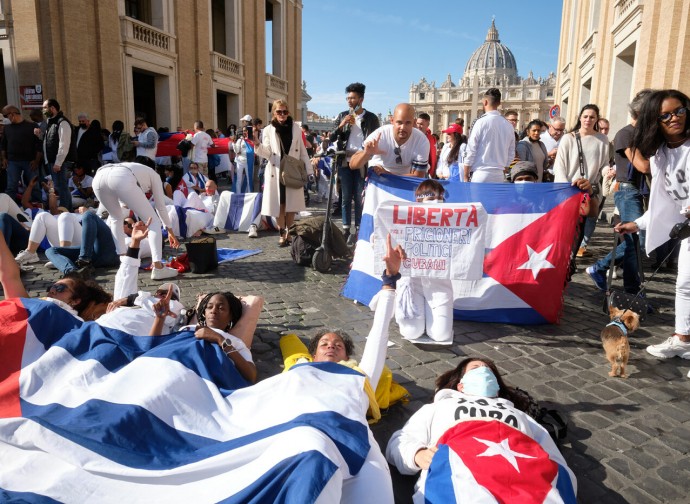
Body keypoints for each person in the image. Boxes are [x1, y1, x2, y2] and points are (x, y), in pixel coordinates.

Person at [386, 357, 577, 503]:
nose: (484, 370)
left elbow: (553, 458)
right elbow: (402, 439)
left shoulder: (520, 415)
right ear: (460, 385)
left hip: (526, 474)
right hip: (462, 468)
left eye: (489, 370)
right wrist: (417, 454)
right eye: (476, 368)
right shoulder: (439, 407)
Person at [617, 89, 690, 359]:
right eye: (665, 115)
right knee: (684, 284)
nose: (674, 118)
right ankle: (683, 338)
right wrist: (637, 224)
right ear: (654, 120)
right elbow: (665, 202)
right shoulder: (659, 156)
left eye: (679, 111)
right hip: (688, 230)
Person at [586, 91, 653, 294]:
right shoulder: (626, 134)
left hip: (642, 191)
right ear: (642, 112)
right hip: (628, 191)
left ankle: (605, 273)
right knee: (636, 241)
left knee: (639, 243)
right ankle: (626, 287)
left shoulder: (644, 135)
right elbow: (642, 165)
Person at [92, 159, 180, 279]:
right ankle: (158, 267)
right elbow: (160, 207)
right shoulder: (154, 175)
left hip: (99, 176)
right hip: (120, 176)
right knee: (153, 221)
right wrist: (170, 230)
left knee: (115, 218)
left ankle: (124, 261)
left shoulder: (136, 169)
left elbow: (125, 205)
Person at [0, 232, 111, 321]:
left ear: (75, 301)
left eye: (60, 288)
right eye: (52, 287)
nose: (52, 290)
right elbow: (10, 277)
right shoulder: (28, 305)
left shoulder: (70, 323)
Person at [394, 180, 454, 345]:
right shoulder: (405, 220)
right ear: (418, 201)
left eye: (435, 197)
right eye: (426, 198)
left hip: (439, 287)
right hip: (413, 285)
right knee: (411, 332)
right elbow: (381, 237)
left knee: (440, 335)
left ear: (442, 198)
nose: (431, 202)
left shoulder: (454, 222)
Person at [553, 104, 609, 267]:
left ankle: (570, 259)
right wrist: (565, 190)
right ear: (580, 118)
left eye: (592, 117)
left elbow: (603, 164)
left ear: (596, 119)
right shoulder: (568, 138)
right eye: (585, 116)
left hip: (588, 190)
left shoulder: (602, 139)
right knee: (565, 228)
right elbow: (560, 166)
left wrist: (608, 172)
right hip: (569, 188)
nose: (588, 120)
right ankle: (560, 258)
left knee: (581, 226)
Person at [254, 99, 312, 247]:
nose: (282, 114)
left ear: (288, 113)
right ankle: (282, 233)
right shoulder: (268, 130)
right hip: (276, 170)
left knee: (291, 205)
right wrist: (256, 143)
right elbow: (267, 153)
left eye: (285, 111)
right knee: (279, 205)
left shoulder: (296, 128)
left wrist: (309, 170)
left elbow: (303, 150)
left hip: (292, 170)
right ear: (274, 112)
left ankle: (290, 233)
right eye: (279, 111)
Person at [329, 82, 381, 241]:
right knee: (345, 196)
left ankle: (359, 227)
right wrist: (342, 125)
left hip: (362, 161)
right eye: (348, 98)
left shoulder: (371, 118)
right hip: (345, 160)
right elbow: (331, 137)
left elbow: (378, 139)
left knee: (359, 197)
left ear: (361, 99)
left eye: (353, 98)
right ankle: (346, 228)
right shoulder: (342, 115)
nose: (350, 101)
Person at [350, 103, 429, 178]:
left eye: (408, 123)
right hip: (378, 181)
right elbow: (353, 165)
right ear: (392, 121)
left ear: (414, 123)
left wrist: (388, 174)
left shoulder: (421, 140)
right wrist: (366, 154)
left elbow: (418, 176)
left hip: (405, 182)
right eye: (399, 122)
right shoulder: (379, 135)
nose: (403, 127)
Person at [463, 88, 515, 183]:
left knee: (477, 199)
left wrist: (465, 175)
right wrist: (505, 168)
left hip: (480, 174)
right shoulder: (509, 125)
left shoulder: (480, 122)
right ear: (499, 103)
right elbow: (511, 152)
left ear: (485, 102)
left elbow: (471, 150)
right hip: (499, 175)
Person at [1, 105, 42, 203]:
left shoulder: (32, 126)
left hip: (30, 162)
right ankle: (9, 207)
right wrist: (4, 158)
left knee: (34, 186)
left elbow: (39, 145)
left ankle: (38, 206)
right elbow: (3, 145)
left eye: (6, 116)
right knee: (11, 187)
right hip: (13, 162)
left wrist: (36, 161)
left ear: (12, 114)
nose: (5, 119)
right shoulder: (7, 128)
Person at [42, 98, 76, 212]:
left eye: (45, 108)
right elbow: (49, 142)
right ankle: (68, 210)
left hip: (60, 162)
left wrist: (58, 163)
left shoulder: (62, 122)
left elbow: (64, 144)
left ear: (52, 108)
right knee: (60, 187)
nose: (43, 110)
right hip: (53, 161)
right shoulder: (51, 122)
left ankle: (64, 210)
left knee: (61, 187)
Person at [415, 112, 438, 178]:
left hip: (426, 172)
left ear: (428, 124)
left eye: (421, 124)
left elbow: (433, 157)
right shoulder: (411, 136)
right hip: (412, 170)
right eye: (417, 123)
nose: (418, 126)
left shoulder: (432, 139)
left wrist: (432, 172)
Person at [233, 125, 254, 193]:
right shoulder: (240, 140)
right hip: (240, 161)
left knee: (249, 179)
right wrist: (234, 144)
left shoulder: (252, 140)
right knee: (239, 179)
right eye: (244, 131)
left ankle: (249, 194)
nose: (245, 132)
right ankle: (238, 194)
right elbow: (237, 151)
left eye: (246, 130)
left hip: (249, 161)